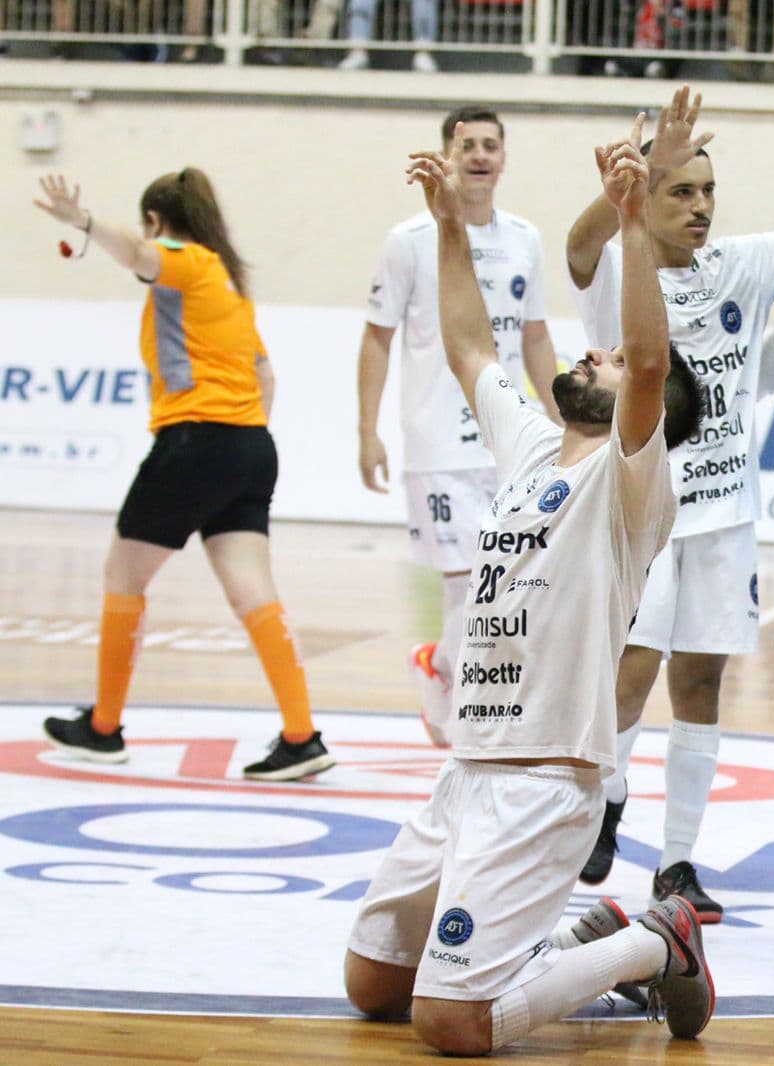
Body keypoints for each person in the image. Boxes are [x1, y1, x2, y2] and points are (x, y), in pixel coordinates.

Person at [343, 119, 712, 1055]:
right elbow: (471, 344)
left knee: (451, 1024)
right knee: (373, 986)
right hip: (469, 768)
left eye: (613, 360)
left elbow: (653, 361)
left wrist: (633, 223)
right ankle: (564, 941)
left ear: (647, 410)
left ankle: (649, 943)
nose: (593, 358)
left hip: (548, 780)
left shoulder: (631, 477)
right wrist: (449, 229)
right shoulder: (535, 445)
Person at [566, 85, 774, 922]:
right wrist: (637, 172)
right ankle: (602, 807)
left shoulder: (741, 265)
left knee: (700, 682)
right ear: (646, 199)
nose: (698, 207)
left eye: (707, 191)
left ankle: (678, 863)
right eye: (680, 191)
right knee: (631, 673)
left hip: (727, 518)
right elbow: (578, 250)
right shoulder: (622, 269)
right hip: (642, 514)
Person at [33, 169, 337, 782]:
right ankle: (302, 736)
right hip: (251, 445)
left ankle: (103, 728)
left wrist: (82, 221)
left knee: (123, 574)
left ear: (156, 218)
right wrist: (238, 445)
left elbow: (142, 257)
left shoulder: (186, 260)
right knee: (253, 591)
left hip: (197, 439)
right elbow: (266, 377)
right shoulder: (229, 281)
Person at [356, 105, 562, 748]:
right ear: (447, 155)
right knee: (463, 576)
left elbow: (533, 336)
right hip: (436, 437)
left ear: (503, 157)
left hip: (509, 437)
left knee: (502, 575)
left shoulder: (525, 238)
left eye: (491, 145)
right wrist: (369, 430)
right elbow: (376, 338)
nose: (479, 155)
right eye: (467, 144)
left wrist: (558, 421)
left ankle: (447, 671)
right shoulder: (409, 239)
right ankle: (456, 697)